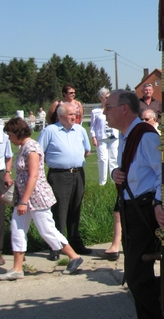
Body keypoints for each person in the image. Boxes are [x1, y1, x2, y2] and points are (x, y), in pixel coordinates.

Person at [106, 89, 164, 319]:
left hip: (144, 211)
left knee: (138, 280)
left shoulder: (146, 136)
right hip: (130, 211)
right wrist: (115, 174)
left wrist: (159, 202)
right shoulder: (127, 136)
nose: (104, 112)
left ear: (124, 109)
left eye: (108, 107)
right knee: (137, 277)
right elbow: (134, 171)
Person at [0, 117, 83, 280]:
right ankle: (17, 268)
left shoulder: (32, 148)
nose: (9, 138)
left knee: (47, 230)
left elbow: (33, 176)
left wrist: (24, 200)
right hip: (24, 198)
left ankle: (74, 256)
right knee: (17, 230)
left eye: (10, 134)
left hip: (36, 197)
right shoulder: (22, 146)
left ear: (17, 132)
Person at [38, 102, 91, 260]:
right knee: (59, 211)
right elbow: (39, 153)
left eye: (75, 114)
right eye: (70, 114)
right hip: (59, 175)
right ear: (60, 116)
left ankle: (75, 241)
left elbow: (87, 151)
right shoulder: (50, 131)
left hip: (77, 173)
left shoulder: (80, 130)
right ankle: (56, 246)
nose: (74, 116)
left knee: (75, 208)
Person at [90, 87, 119, 186]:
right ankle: (102, 181)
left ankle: (113, 181)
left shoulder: (114, 108)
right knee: (103, 159)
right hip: (101, 137)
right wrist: (93, 137)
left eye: (109, 97)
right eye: (106, 97)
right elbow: (92, 126)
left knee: (113, 158)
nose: (108, 99)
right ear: (101, 98)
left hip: (113, 137)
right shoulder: (95, 111)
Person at [0, 127, 14, 266]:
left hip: (0, 172)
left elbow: (8, 155)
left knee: (0, 214)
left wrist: (8, 173)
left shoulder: (2, 132)